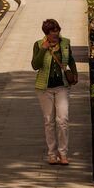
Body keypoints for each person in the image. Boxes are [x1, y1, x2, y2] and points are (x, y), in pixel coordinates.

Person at [32, 18, 78, 165]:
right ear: (47, 33)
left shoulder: (65, 43)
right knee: (49, 122)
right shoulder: (38, 44)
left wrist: (75, 74)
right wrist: (43, 49)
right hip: (44, 89)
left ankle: (63, 153)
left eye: (57, 30)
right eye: (53, 32)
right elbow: (35, 65)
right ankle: (52, 154)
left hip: (62, 87)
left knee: (63, 120)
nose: (56, 34)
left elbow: (71, 60)